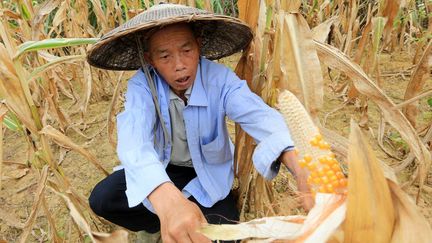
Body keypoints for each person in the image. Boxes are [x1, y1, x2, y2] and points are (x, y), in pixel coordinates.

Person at [87, 3, 312, 243]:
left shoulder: (220, 80)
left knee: (227, 237)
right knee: (103, 199)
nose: (179, 65)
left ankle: (180, 220)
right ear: (149, 59)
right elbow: (134, 141)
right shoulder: (142, 86)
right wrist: (167, 201)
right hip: (163, 169)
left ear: (199, 45)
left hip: (208, 175)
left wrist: (301, 166)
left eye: (186, 50)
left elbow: (260, 117)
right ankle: (166, 221)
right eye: (165, 56)